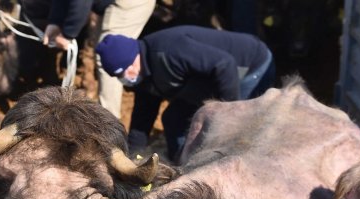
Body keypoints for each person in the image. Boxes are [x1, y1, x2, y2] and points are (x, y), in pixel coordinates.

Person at [96, 25, 275, 161]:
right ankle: (184, 167)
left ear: (134, 57)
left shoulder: (169, 51)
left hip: (248, 67)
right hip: (207, 83)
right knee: (173, 119)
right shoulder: (144, 76)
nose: (124, 78)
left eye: (124, 71)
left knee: (230, 133)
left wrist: (228, 114)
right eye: (118, 76)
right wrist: (132, 160)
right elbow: (142, 120)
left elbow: (224, 66)